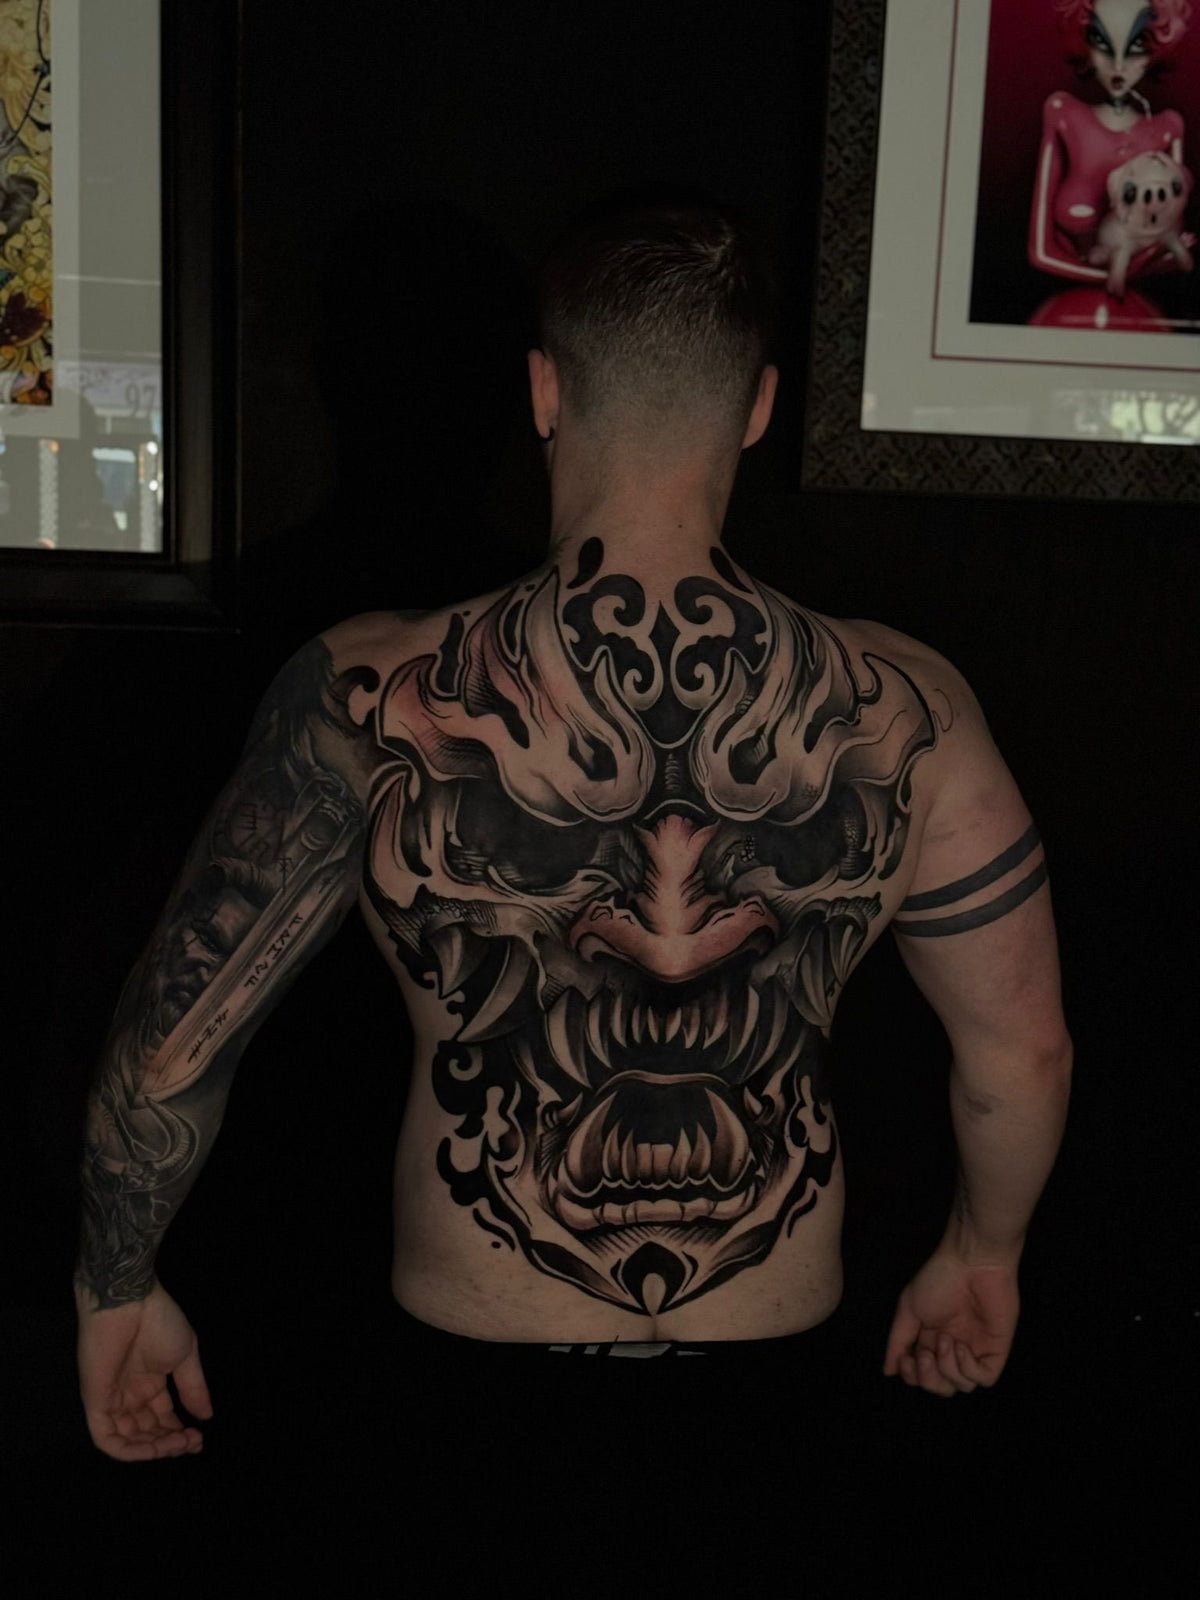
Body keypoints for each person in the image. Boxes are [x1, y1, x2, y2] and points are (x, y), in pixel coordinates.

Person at [74, 183, 1073, 1463]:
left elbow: (175, 1041)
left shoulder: (371, 694)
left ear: (544, 391)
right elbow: (1022, 1052)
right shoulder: (911, 709)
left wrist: (116, 1281)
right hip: (773, 1371)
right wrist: (983, 1253)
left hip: (466, 1377)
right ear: (759, 407)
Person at [1027, 0, 1194, 325]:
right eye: (1101, 43)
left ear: (1158, 46)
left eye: (1136, 46)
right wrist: (1116, 274)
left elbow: (1173, 247)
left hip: (1137, 319)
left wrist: (1136, 263)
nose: (1118, 65)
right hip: (1065, 320)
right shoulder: (1064, 114)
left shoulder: (1167, 128)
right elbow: (1040, 250)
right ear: (1083, 41)